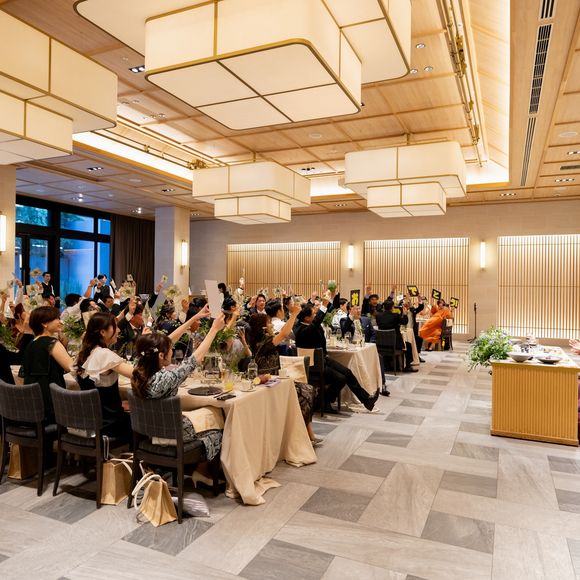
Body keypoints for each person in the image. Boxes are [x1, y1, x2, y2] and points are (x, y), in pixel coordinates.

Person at [131, 306, 224, 463]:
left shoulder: (138, 367)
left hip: (149, 429)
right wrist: (214, 330)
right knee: (217, 423)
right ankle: (202, 471)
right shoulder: (165, 379)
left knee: (205, 415)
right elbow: (194, 360)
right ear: (161, 355)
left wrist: (194, 318)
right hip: (171, 432)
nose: (172, 351)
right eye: (170, 350)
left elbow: (167, 342)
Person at [248, 303, 319, 445]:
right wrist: (294, 314)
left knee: (308, 392)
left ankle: (305, 433)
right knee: (305, 394)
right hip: (266, 383)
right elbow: (284, 334)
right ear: (262, 327)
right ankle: (303, 435)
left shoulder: (264, 340)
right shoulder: (262, 343)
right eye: (268, 323)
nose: (271, 325)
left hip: (275, 379)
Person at [294, 297, 379, 412]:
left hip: (323, 359)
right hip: (313, 365)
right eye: (313, 314)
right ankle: (325, 400)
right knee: (341, 378)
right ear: (307, 318)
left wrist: (331, 299)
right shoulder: (301, 330)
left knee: (347, 372)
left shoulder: (311, 325)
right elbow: (316, 322)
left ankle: (367, 400)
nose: (315, 315)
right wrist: (323, 306)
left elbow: (320, 320)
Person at [75, 312, 134, 438]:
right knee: (146, 423)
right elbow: (138, 375)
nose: (118, 330)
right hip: (109, 424)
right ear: (103, 332)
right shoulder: (104, 354)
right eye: (115, 327)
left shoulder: (84, 353)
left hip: (90, 422)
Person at [21, 306, 74, 422]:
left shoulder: (31, 343)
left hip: (33, 401)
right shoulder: (51, 343)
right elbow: (71, 367)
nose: (60, 321)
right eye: (56, 318)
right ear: (44, 324)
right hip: (51, 401)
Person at [376, 297, 418, 373]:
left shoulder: (378, 316)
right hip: (395, 344)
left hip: (381, 344)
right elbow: (404, 322)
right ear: (392, 307)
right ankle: (407, 366)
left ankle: (387, 365)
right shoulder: (395, 316)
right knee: (408, 345)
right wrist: (405, 314)